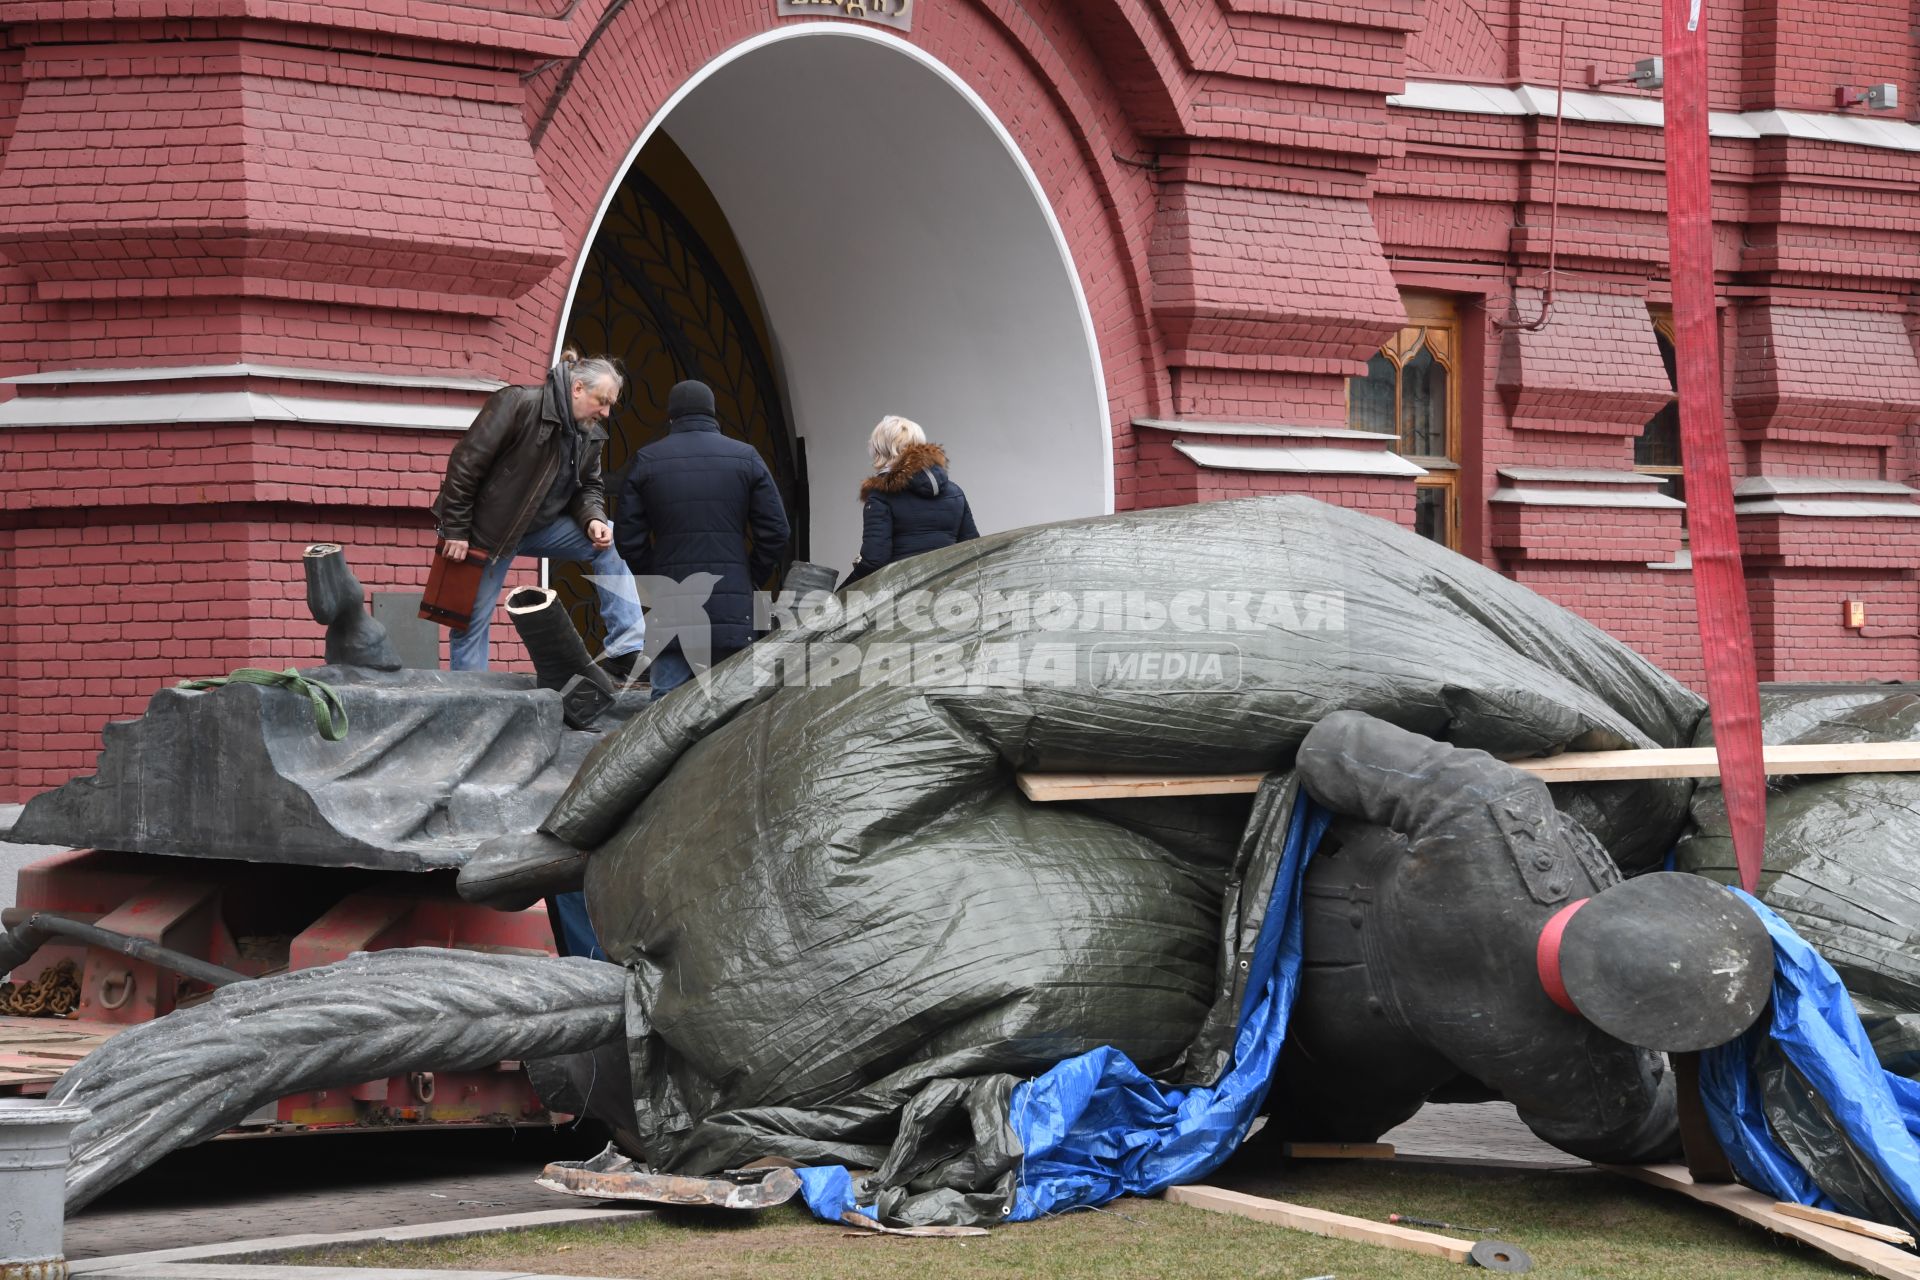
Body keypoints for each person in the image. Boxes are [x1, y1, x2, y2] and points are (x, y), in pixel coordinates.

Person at [434, 351, 646, 675]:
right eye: (601, 400)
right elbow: (465, 464)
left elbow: (588, 486)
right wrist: (456, 530)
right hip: (486, 533)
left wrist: (593, 520)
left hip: (541, 527)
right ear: (577, 388)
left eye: (610, 405)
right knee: (468, 624)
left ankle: (626, 651)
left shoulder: (590, 435)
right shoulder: (518, 404)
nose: (605, 412)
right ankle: (470, 699)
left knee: (613, 539)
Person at [616, 378, 789, 698]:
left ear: (671, 417)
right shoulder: (746, 457)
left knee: (663, 712)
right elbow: (777, 531)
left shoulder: (648, 460)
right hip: (734, 609)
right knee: (731, 713)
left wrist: (656, 577)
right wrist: (750, 575)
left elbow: (627, 538)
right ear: (713, 413)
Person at [845, 416, 978, 584]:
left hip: (905, 597)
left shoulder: (881, 495)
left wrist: (841, 593)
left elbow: (874, 560)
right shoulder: (954, 491)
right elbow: (972, 550)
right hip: (950, 592)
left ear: (879, 450)